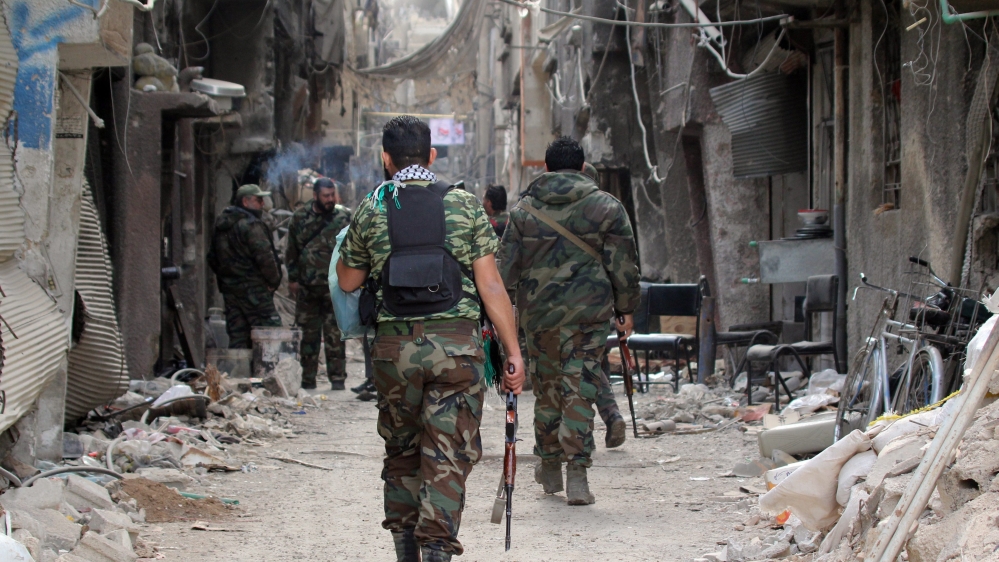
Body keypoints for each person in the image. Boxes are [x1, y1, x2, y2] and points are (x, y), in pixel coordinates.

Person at [336, 116, 525, 562]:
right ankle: (437, 549)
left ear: (385, 158)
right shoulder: (463, 204)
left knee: (402, 451)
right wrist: (513, 353)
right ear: (432, 156)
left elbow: (347, 281)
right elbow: (491, 287)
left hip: (394, 351)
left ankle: (406, 550)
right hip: (456, 350)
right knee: (448, 453)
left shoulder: (372, 207)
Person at [499, 137, 640, 505]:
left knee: (547, 390)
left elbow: (504, 272)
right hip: (588, 318)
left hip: (540, 318)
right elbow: (623, 266)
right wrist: (626, 309)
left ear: (544, 169)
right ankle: (577, 474)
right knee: (580, 391)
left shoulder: (523, 212)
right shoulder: (607, 207)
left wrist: (504, 317)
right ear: (582, 167)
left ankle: (549, 468)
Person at [286, 178, 352, 390]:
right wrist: (293, 278)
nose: (330, 199)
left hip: (336, 287)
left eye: (332, 195)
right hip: (308, 287)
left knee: (335, 335)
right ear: (315, 196)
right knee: (309, 335)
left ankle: (338, 378)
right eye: (326, 196)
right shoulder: (299, 218)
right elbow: (292, 250)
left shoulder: (343, 216)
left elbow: (354, 248)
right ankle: (307, 379)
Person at [208, 184, 283, 348]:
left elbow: (212, 258)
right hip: (255, 291)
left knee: (238, 337)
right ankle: (268, 371)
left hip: (231, 291)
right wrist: (273, 282)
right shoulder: (250, 225)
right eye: (258, 200)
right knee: (270, 333)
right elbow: (265, 258)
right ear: (245, 201)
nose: (262, 204)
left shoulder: (222, 224)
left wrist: (228, 278)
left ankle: (240, 372)